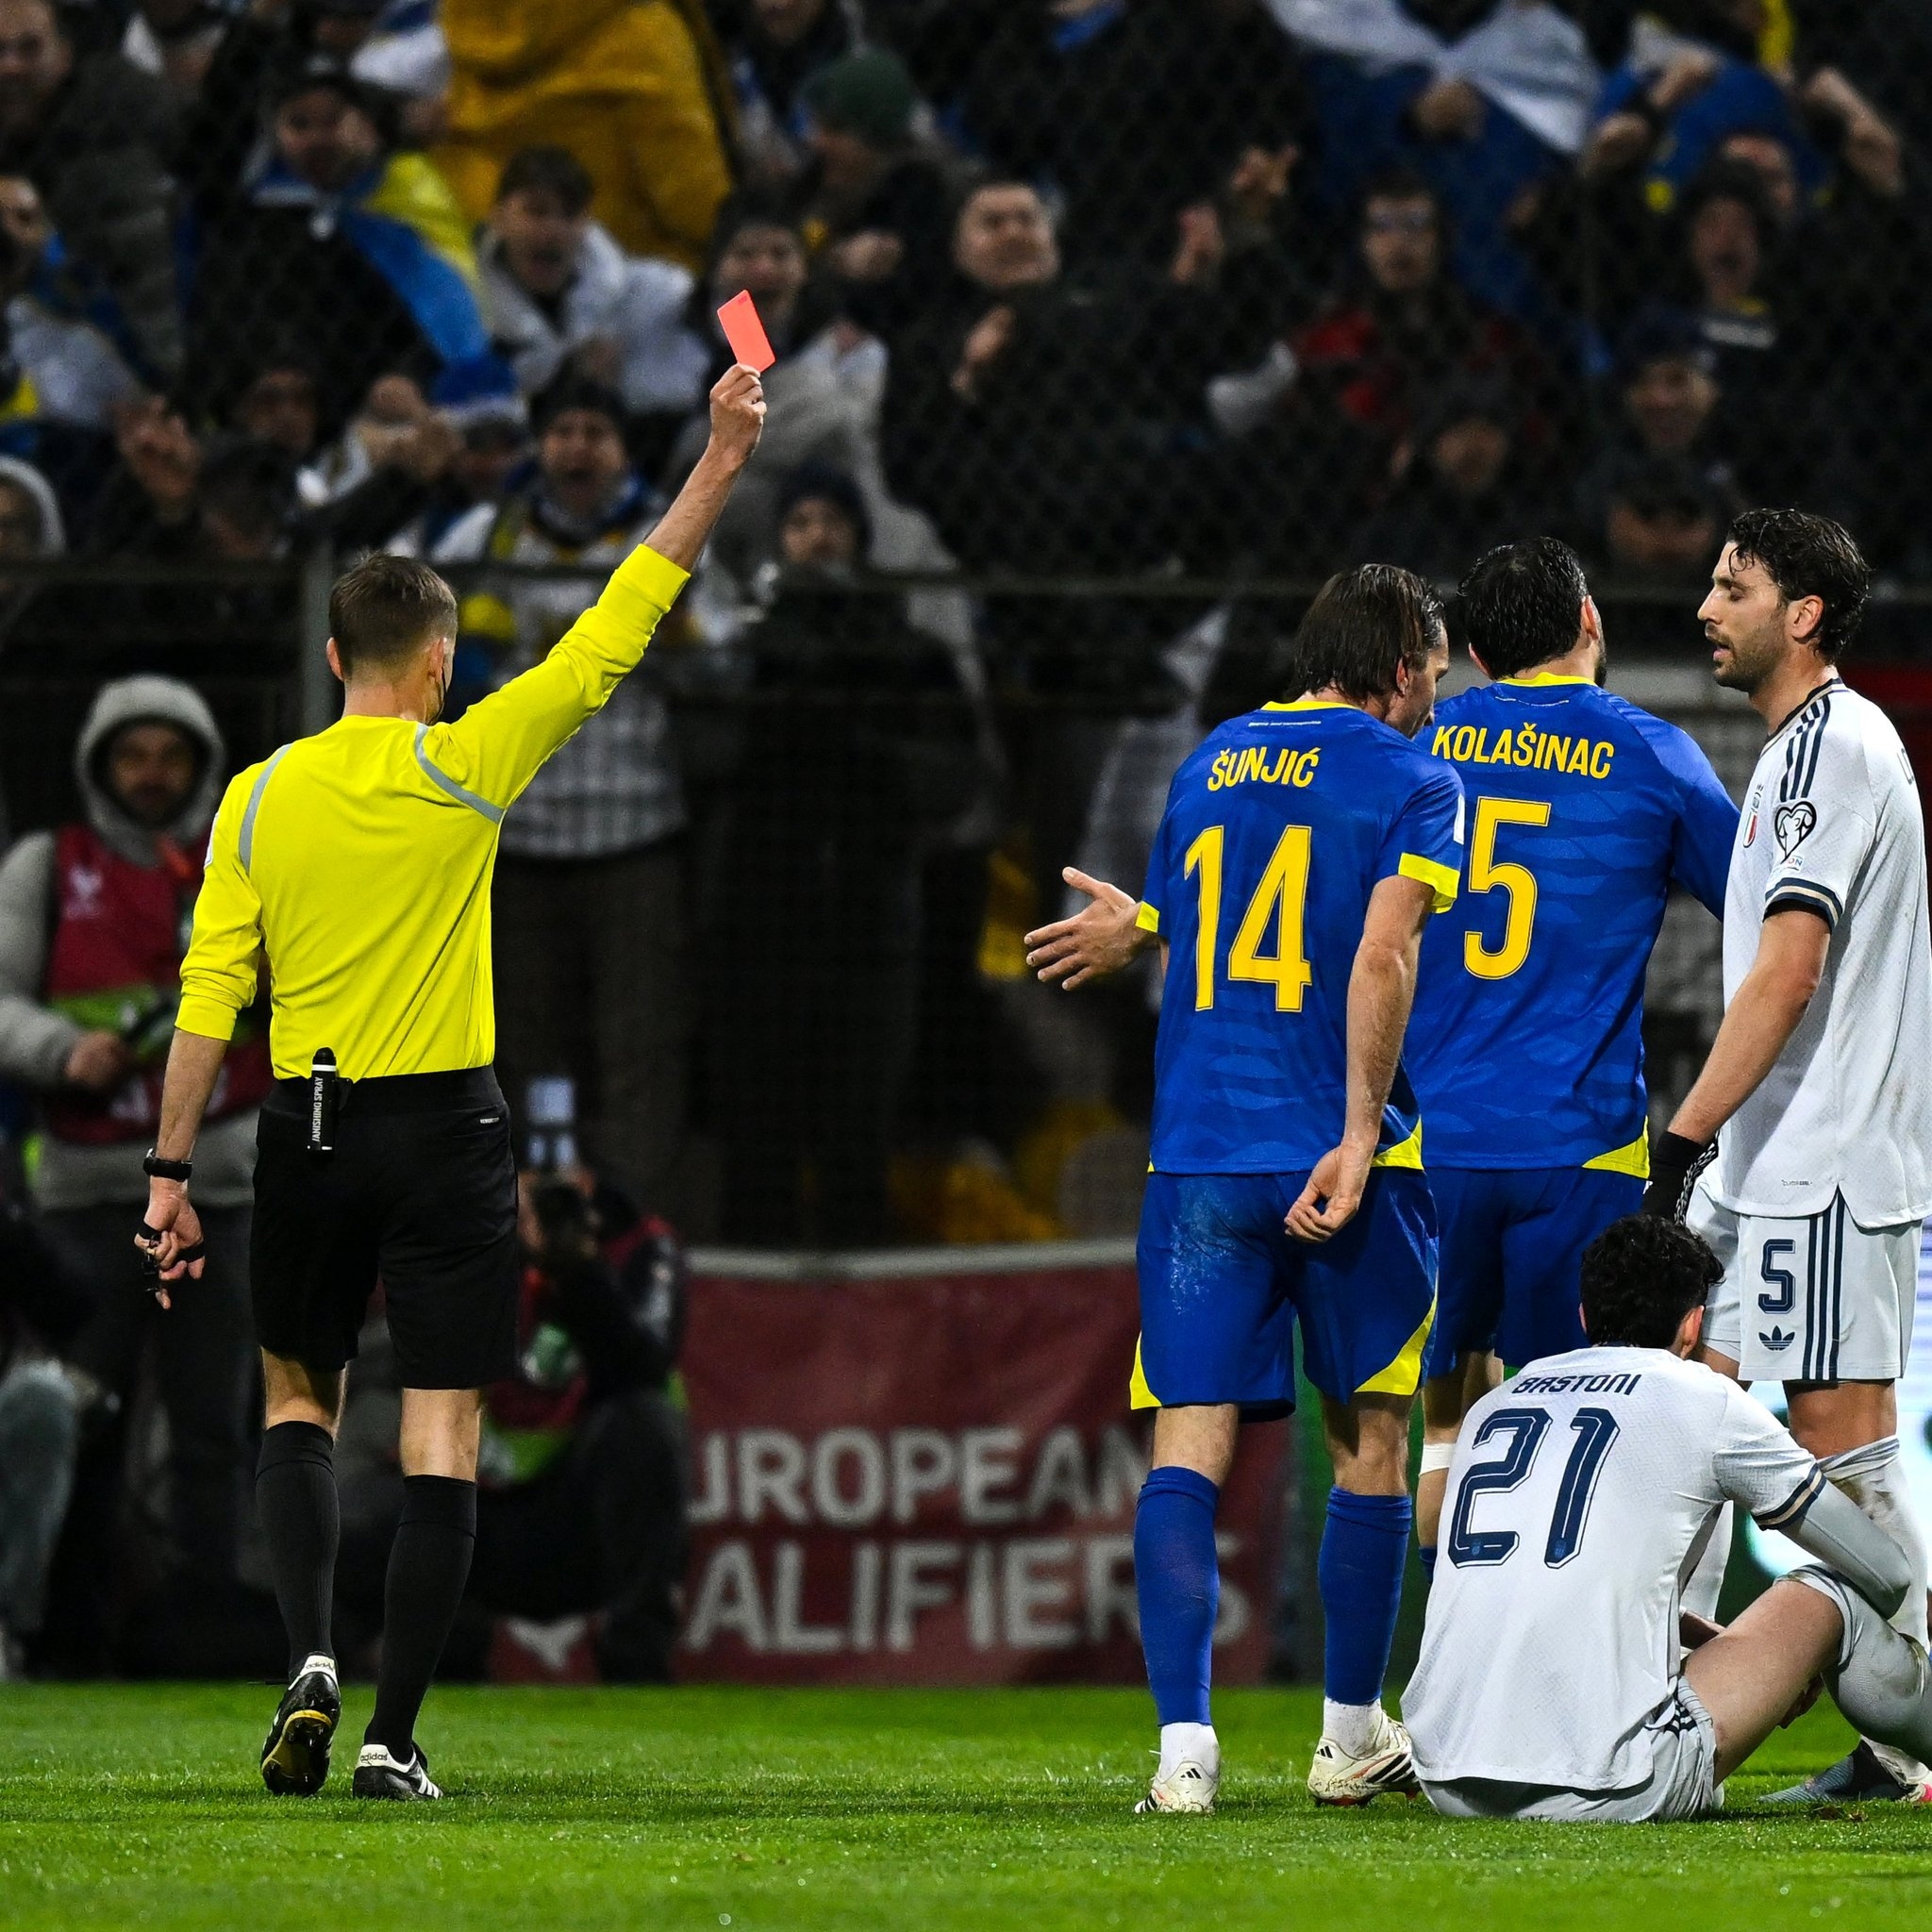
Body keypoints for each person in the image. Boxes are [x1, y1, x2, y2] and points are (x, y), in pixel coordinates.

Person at [135, 362, 765, 1800]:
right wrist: (720, 454)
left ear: (333, 659)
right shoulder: (463, 763)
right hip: (445, 1134)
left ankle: (306, 1655)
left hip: (303, 1127)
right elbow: (618, 627)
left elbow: (208, 998)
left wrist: (172, 1177)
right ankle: (392, 1737)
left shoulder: (258, 796)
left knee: (298, 1402)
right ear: (434, 666)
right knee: (443, 1432)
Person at [1024, 566, 1464, 1810]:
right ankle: (1349, 1735)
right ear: (1392, 665)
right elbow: (1377, 950)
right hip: (1336, 1147)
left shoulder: (1208, 762)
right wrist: (1362, 1132)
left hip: (1202, 1149)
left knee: (1187, 1447)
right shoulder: (1416, 780)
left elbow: (1236, 912)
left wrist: (1141, 927)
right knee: (1375, 1437)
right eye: (1429, 666)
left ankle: (1184, 1756)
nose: (1435, 694)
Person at [1648, 508, 1932, 1805]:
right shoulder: (1794, 754)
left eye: (1733, 586)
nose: (1707, 607)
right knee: (1700, 1394)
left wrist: (1685, 1133)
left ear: (1803, 612)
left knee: (1841, 1446)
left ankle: (1899, 1729)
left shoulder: (1826, 749)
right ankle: (1670, 1693)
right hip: (1785, 1168)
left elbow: (1787, 968)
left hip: (1823, 1166)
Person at [1407, 538, 1737, 1580]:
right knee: (1575, 1422)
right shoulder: (1651, 751)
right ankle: (1572, 1680)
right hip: (1577, 1145)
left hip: (1424, 1146)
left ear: (1463, 649)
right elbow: (1766, 917)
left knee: (1429, 1424)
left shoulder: (1414, 745)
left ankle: (1406, 1685)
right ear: (1590, 622)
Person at [1404, 1213, 1932, 1822]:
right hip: (1608, 1789)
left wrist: (1713, 1640)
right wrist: (1799, 1651)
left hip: (1448, 1780)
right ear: (1692, 1323)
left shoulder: (1497, 1405)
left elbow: (1544, 1571)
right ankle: (1903, 1765)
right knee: (1832, 1590)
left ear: (1584, 1316)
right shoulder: (1704, 1398)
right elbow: (1887, 1572)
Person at [0, 677, 267, 1667]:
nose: (152, 774)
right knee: (78, 1419)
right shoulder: (45, 865)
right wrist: (58, 1051)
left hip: (222, 1189)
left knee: (213, 1428)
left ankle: (208, 1634)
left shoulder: (240, 862)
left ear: (200, 764)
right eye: (132, 754)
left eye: (171, 754)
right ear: (98, 764)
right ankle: (70, 1632)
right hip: (82, 1192)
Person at [434, 376, 710, 1224]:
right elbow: (425, 664)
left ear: (624, 450)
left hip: (636, 828)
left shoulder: (673, 534)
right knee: (526, 1039)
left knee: (640, 1045)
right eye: (563, 431)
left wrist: (677, 638)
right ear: (537, 445)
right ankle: (529, 1216)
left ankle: (632, 1223)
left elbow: (728, 661)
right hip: (516, 835)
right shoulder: (486, 536)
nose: (579, 447)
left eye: (598, 431)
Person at [477, 143, 708, 466]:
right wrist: (569, 374)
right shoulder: (462, 313)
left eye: (568, 215)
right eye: (536, 211)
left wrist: (764, 367)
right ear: (498, 217)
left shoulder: (647, 286)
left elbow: (728, 302)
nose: (552, 230)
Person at [0, 0, 183, 386]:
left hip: (134, 338)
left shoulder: (122, 107)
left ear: (65, 55)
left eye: (29, 48)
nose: (10, 67)